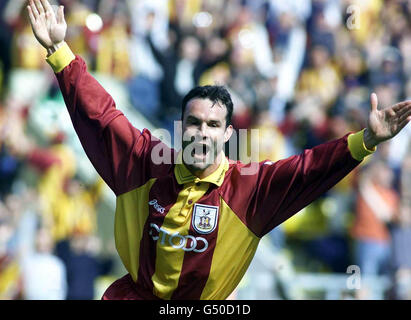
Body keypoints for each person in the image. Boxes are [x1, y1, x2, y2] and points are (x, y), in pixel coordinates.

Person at [27, 0, 411, 300]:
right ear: (181, 128)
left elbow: (308, 168)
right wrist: (60, 50)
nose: (202, 133)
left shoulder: (249, 189)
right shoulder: (144, 164)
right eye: (194, 123)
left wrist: (366, 141)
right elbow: (100, 114)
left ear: (227, 134)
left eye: (212, 126)